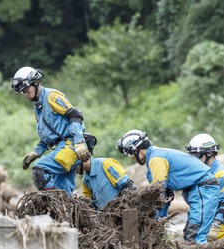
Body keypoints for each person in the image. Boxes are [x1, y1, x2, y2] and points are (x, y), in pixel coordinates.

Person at [116, 129, 220, 244]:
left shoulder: (156, 159)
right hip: (201, 190)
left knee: (195, 236)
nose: (131, 157)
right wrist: (158, 221)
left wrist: (153, 221)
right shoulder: (156, 156)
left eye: (130, 153)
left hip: (203, 189)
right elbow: (166, 196)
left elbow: (159, 194)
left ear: (136, 149)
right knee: (190, 234)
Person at [11, 66, 90, 195]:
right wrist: (36, 153)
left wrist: (79, 142)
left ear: (36, 82)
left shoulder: (52, 96)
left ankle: (53, 202)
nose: (25, 93)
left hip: (71, 146)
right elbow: (47, 137)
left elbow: (75, 115)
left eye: (26, 89)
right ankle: (63, 211)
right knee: (63, 192)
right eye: (22, 91)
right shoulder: (37, 109)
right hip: (61, 148)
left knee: (39, 170)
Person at [77, 135, 135, 209]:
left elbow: (129, 187)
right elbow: (89, 207)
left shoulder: (105, 164)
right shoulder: (85, 182)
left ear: (82, 156)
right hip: (107, 219)